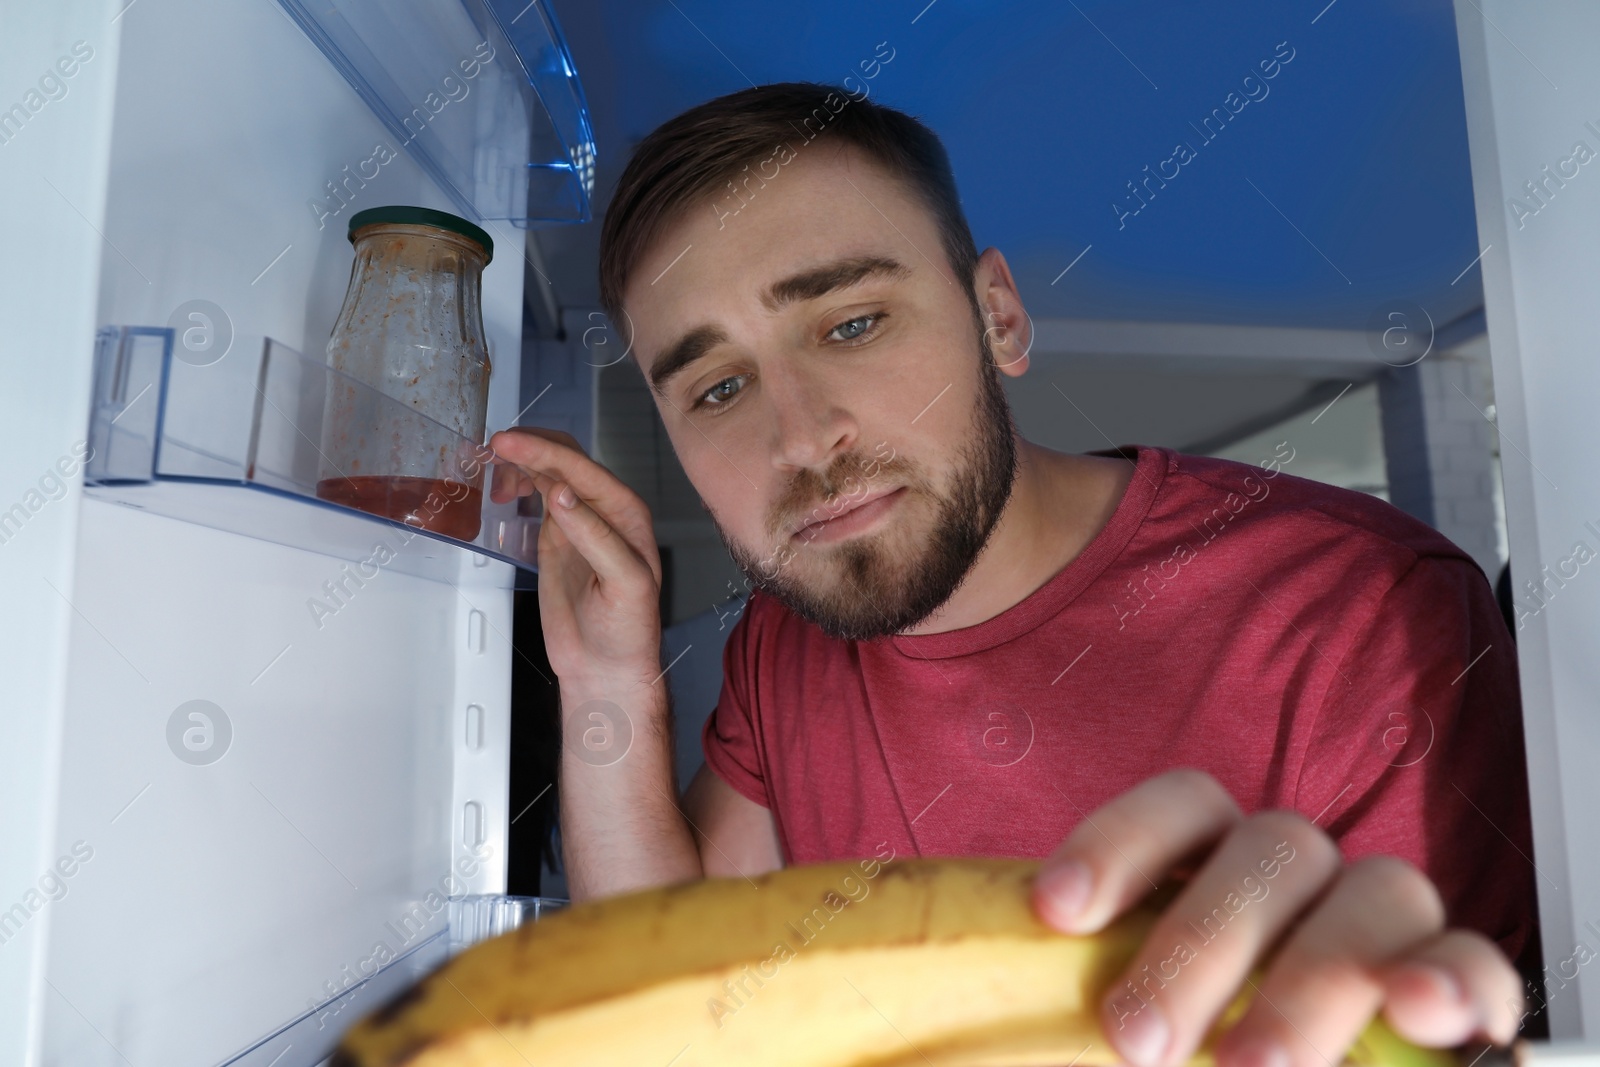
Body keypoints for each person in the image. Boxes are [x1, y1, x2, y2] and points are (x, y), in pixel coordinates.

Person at [489, 81, 1538, 1067]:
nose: (801, 439)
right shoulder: (785, 641)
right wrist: (608, 682)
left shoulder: (1369, 615)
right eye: (717, 389)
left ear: (998, 317)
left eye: (851, 323)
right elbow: (688, 1000)